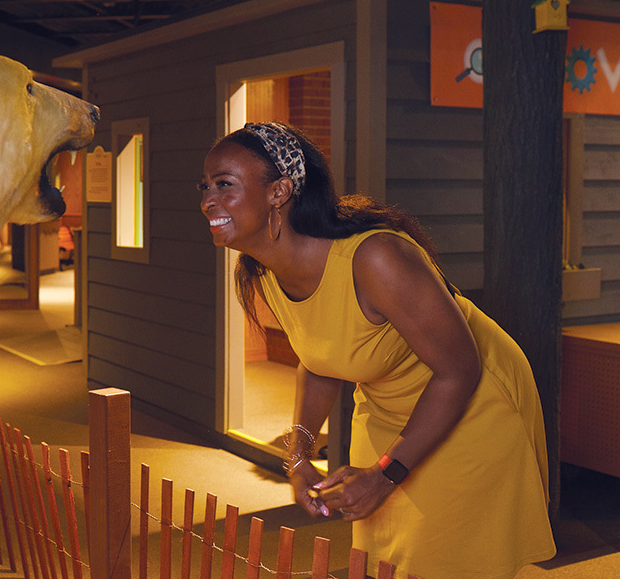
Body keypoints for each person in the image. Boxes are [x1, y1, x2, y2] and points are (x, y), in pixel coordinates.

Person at [199, 122, 556, 579]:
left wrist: (386, 473)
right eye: (206, 186)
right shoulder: (260, 271)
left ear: (280, 191)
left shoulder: (375, 259)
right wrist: (299, 454)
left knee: (447, 560)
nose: (209, 199)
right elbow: (321, 359)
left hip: (471, 402)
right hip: (388, 404)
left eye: (224, 184)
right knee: (387, 559)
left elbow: (459, 370)